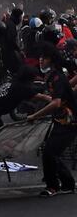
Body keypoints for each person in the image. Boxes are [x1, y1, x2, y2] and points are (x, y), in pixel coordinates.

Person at [28, 44, 77, 196]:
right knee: (51, 152)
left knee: (50, 151)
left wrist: (35, 116)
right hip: (61, 119)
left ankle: (52, 186)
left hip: (69, 121)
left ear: (52, 60)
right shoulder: (52, 76)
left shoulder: (57, 76)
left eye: (45, 58)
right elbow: (57, 96)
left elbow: (56, 102)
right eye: (41, 57)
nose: (41, 60)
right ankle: (68, 183)